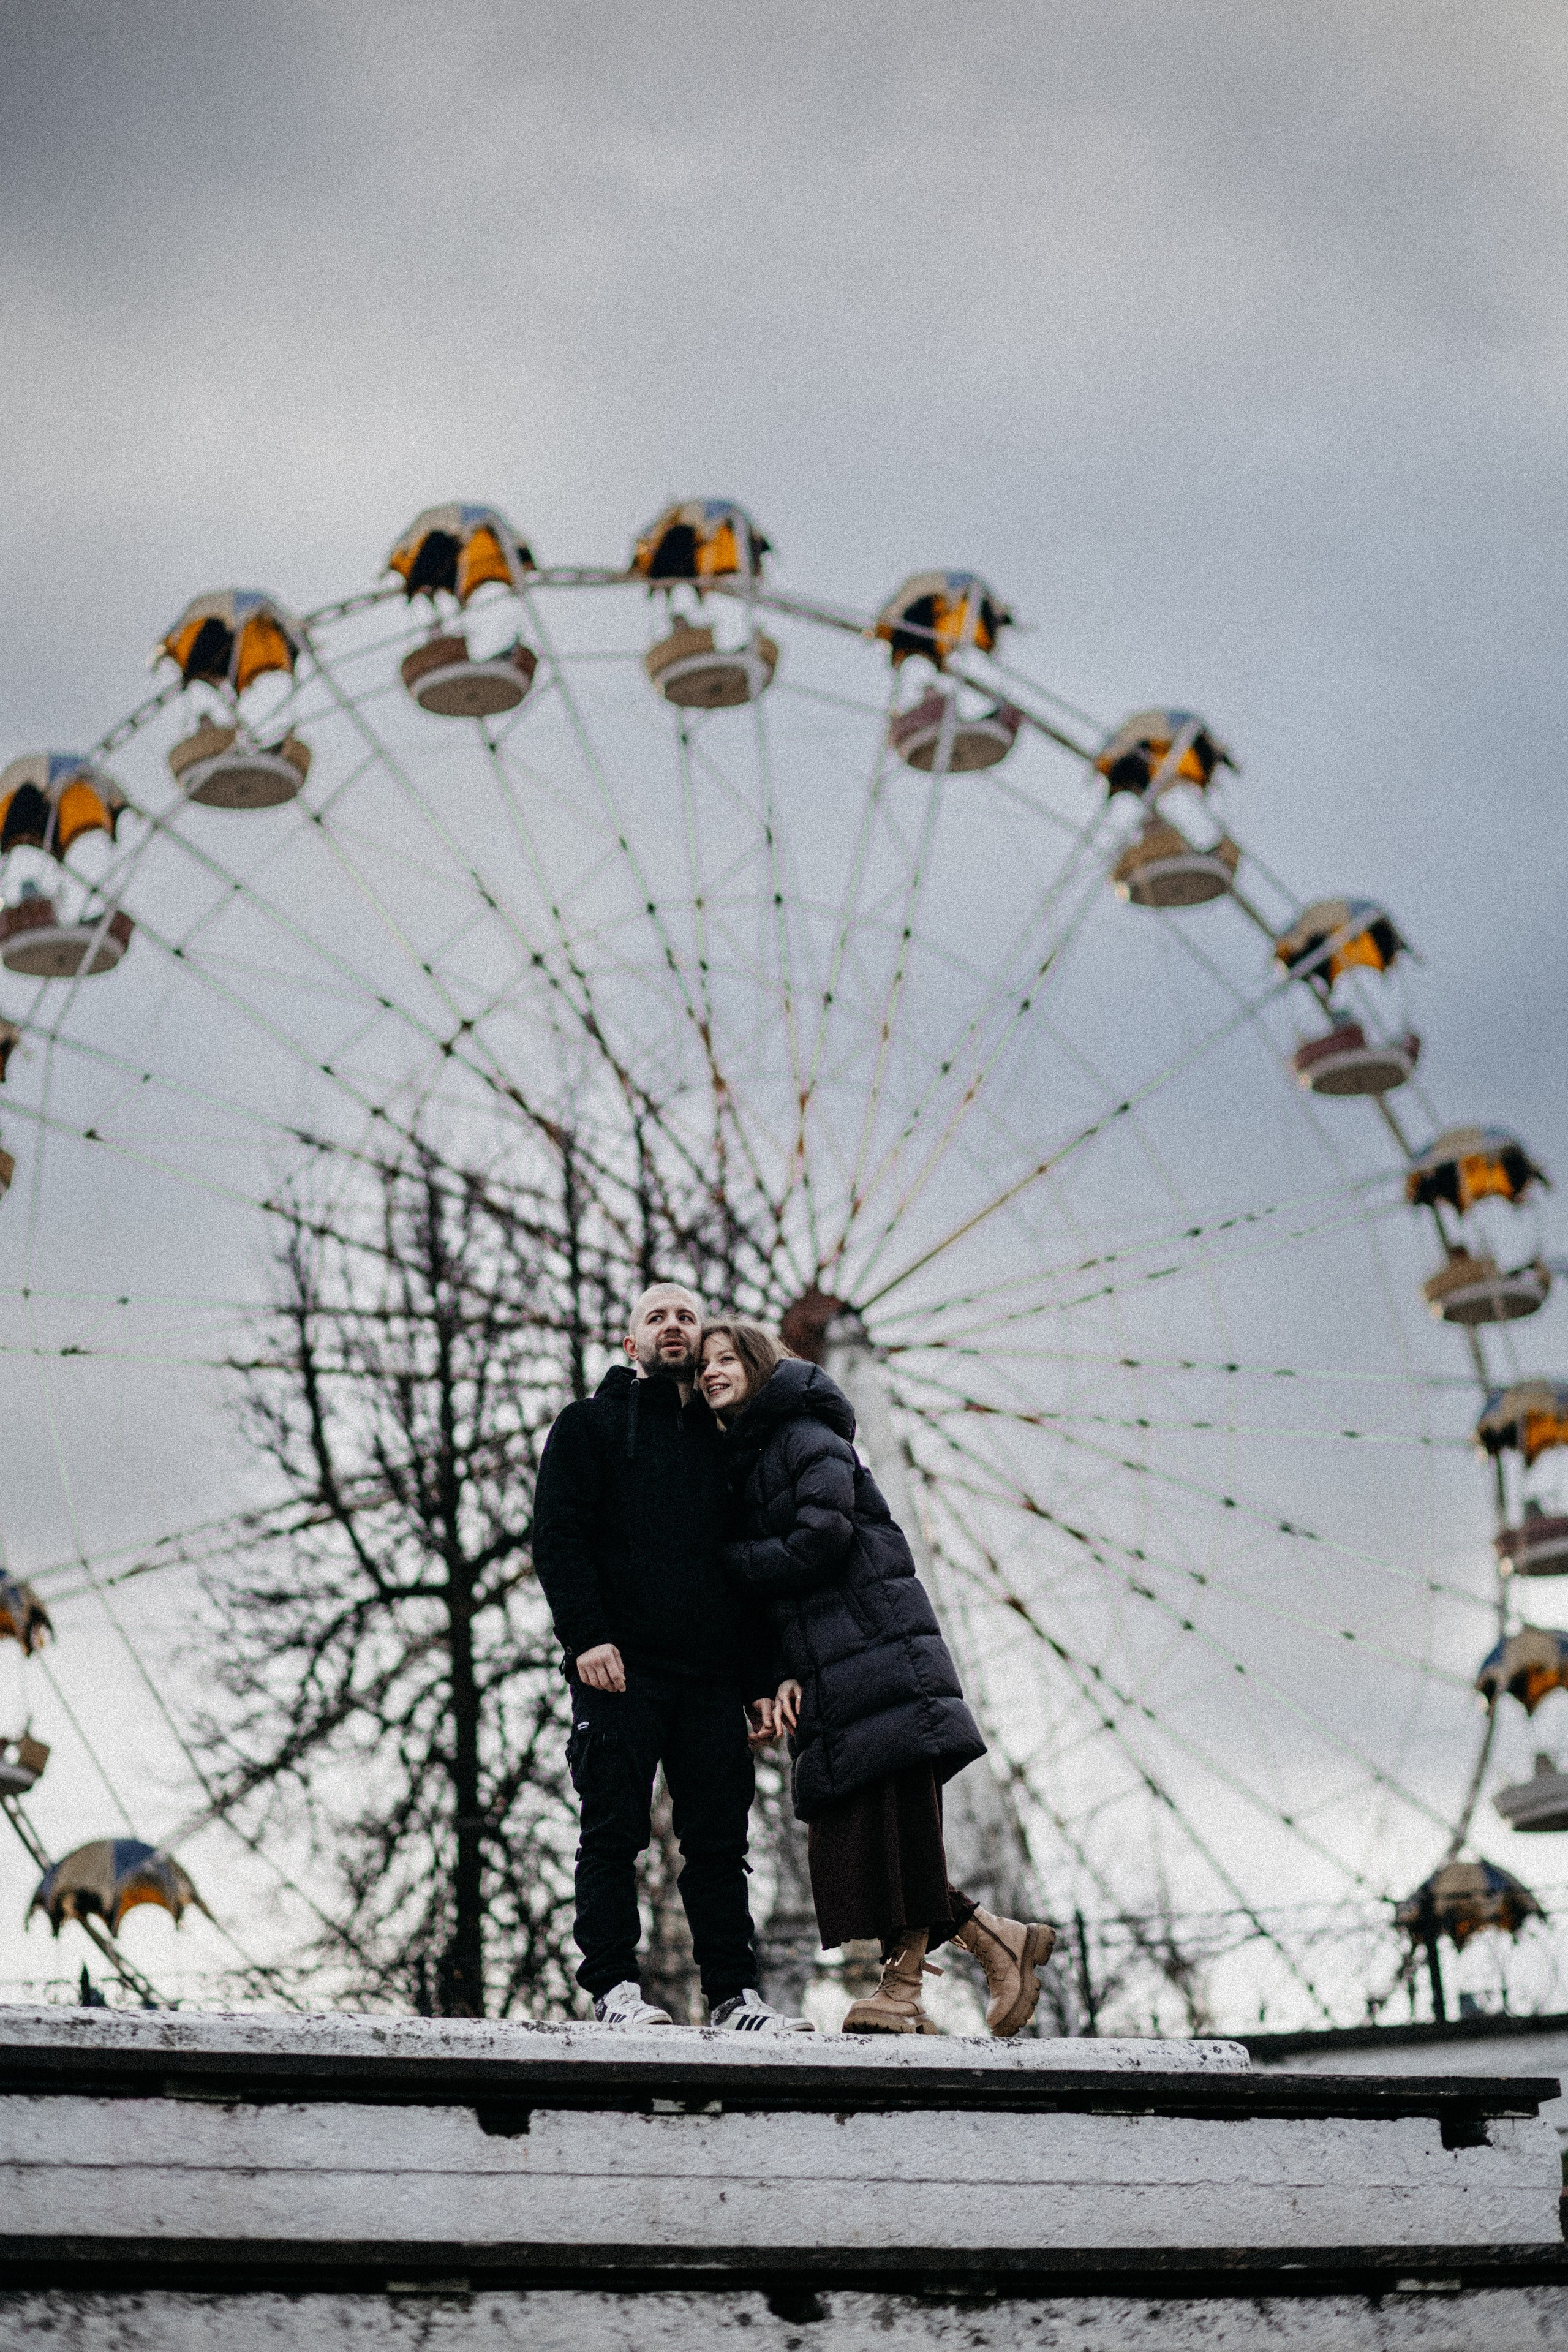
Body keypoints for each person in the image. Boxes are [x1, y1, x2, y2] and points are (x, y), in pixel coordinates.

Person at [700, 1319, 1055, 2037]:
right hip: (831, 1671)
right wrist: (783, 1670)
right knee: (854, 1838)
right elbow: (780, 1601)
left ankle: (901, 1992)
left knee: (893, 1828)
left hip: (879, 1655)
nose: (710, 1371)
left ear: (760, 1364)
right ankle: (993, 1940)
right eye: (701, 1365)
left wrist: (726, 1564)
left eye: (725, 1358)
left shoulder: (806, 1435)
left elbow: (822, 1539)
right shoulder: (749, 1461)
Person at [533, 1283, 811, 2035]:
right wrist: (587, 1637)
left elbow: (745, 1570)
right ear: (631, 1345)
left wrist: (758, 1680)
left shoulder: (726, 1446)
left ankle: (734, 1996)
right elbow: (558, 1537)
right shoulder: (588, 1427)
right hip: (620, 1668)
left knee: (721, 1844)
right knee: (613, 1831)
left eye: (686, 1315)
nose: (674, 1326)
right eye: (656, 1317)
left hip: (711, 1680)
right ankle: (615, 1990)